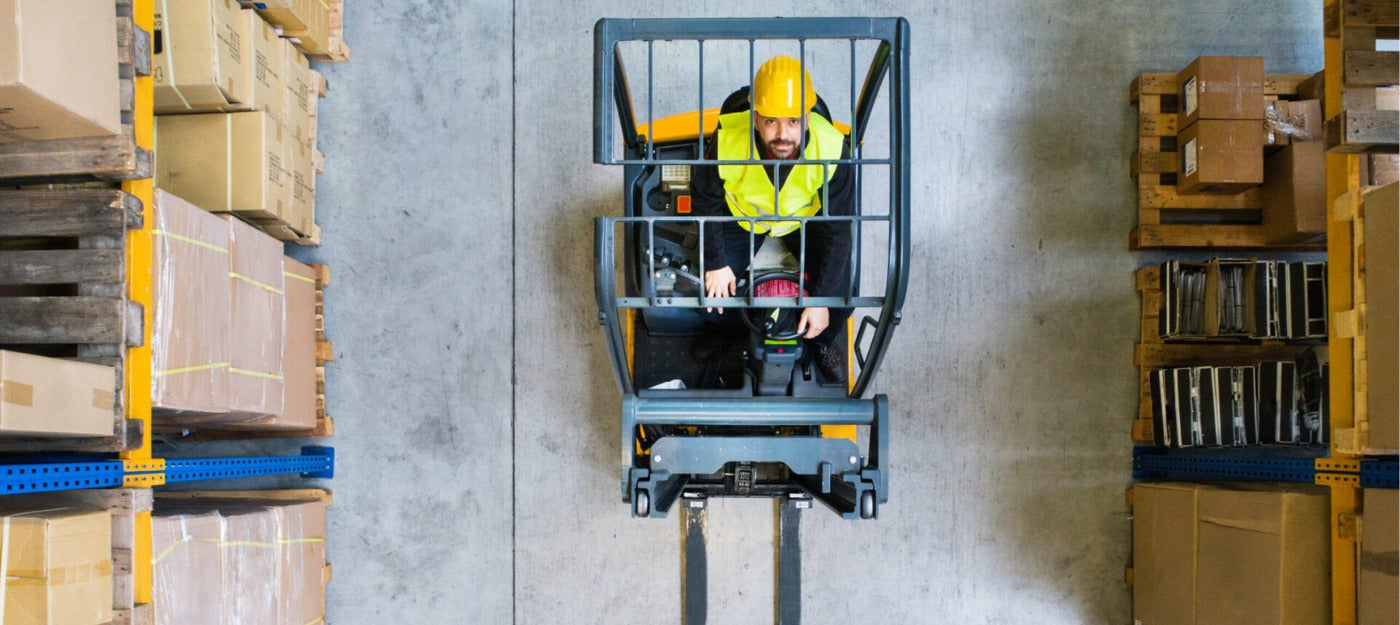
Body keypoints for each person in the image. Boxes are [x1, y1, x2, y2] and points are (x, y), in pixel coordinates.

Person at [690, 55, 854, 384]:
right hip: (743, 219)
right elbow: (705, 198)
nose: (782, 134)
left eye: (793, 121)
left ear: (807, 119)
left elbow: (839, 228)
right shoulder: (726, 141)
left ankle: (820, 340)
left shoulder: (833, 148)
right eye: (771, 122)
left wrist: (820, 299)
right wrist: (716, 262)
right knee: (707, 294)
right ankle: (727, 336)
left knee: (843, 293)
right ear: (755, 118)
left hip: (799, 222)